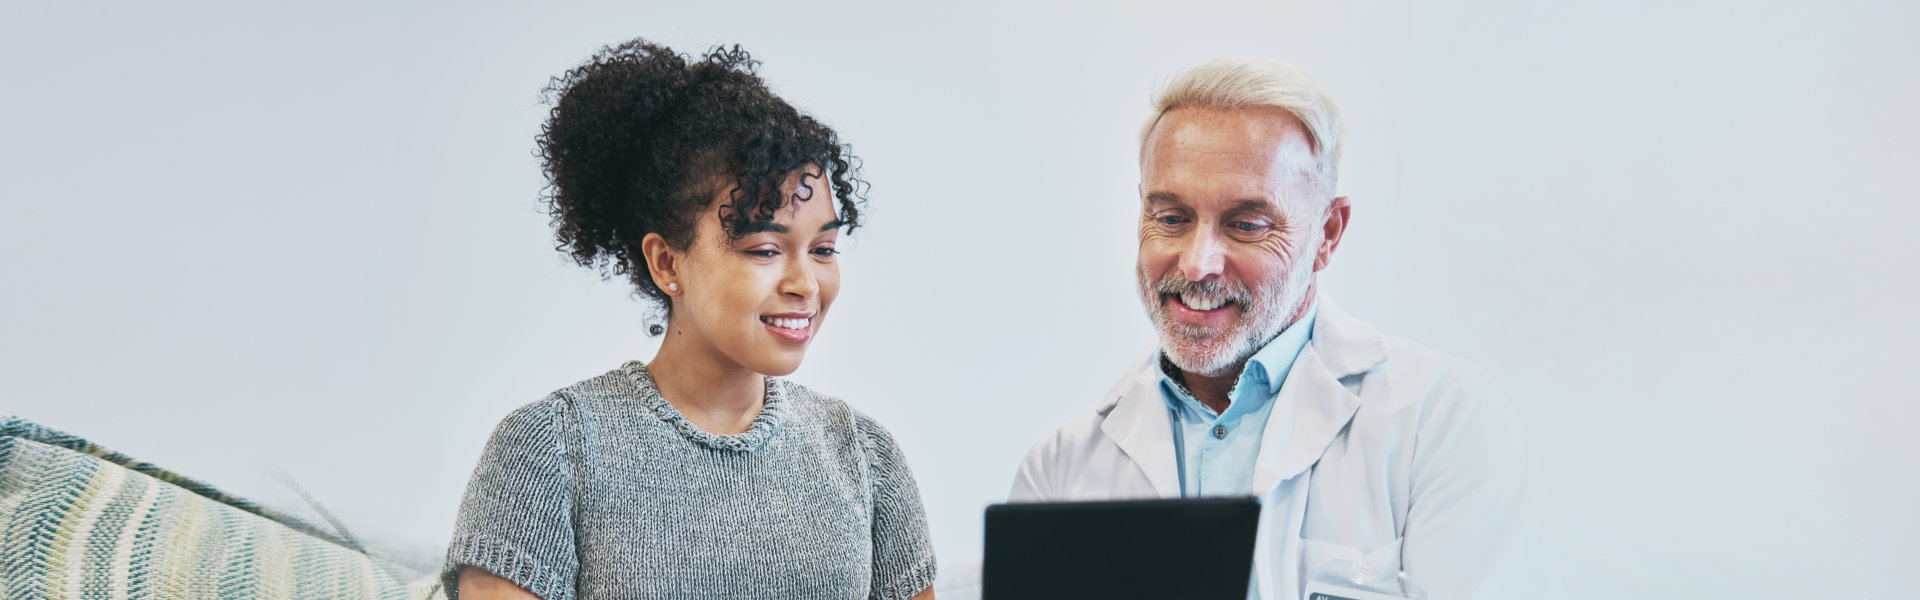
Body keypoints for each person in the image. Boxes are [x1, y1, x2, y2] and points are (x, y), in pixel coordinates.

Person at [1007, 58, 1528, 600]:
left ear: (1328, 232)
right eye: (1171, 218)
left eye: (1246, 224)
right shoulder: (1061, 471)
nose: (1197, 263)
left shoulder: (1440, 427)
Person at [442, 39, 936, 600]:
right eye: (764, 251)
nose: (805, 284)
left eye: (822, 250)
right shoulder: (549, 450)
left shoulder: (865, 456)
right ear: (666, 261)